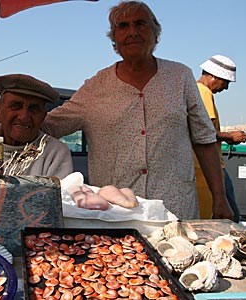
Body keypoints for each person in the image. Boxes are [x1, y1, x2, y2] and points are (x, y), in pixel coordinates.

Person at [42, 1, 233, 220]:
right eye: (122, 26)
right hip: (116, 216)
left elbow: (204, 140)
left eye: (140, 24)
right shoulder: (96, 87)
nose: (132, 32)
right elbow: (49, 125)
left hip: (174, 208)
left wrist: (220, 198)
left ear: (156, 32)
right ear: (114, 39)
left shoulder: (180, 77)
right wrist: (17, 110)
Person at [195, 55, 246, 222]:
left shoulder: (195, 91)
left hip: (202, 171)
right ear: (214, 76)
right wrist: (230, 137)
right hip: (210, 170)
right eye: (225, 82)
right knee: (230, 218)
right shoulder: (203, 92)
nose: (225, 88)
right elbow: (204, 133)